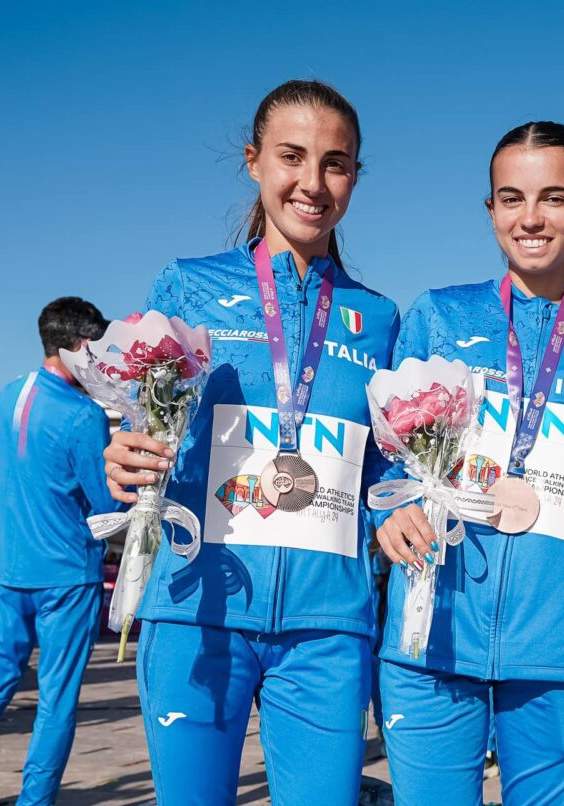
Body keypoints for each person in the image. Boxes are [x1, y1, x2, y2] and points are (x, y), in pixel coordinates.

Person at [102, 80, 399, 805]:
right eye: (291, 156)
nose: (313, 182)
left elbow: (385, 477)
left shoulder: (381, 319)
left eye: (336, 163)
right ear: (254, 161)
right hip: (196, 615)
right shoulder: (187, 286)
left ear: (356, 175)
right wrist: (119, 454)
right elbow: (144, 425)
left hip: (327, 633)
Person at [373, 122, 564, 805]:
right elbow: (387, 463)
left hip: (561, 662)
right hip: (430, 643)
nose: (531, 217)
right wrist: (392, 504)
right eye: (511, 197)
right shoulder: (437, 317)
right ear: (490, 209)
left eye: (554, 198)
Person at [0, 297, 118, 805]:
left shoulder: (8, 396)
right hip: (66, 575)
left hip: (9, 572)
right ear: (80, 346)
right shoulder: (84, 415)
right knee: (55, 702)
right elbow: (107, 504)